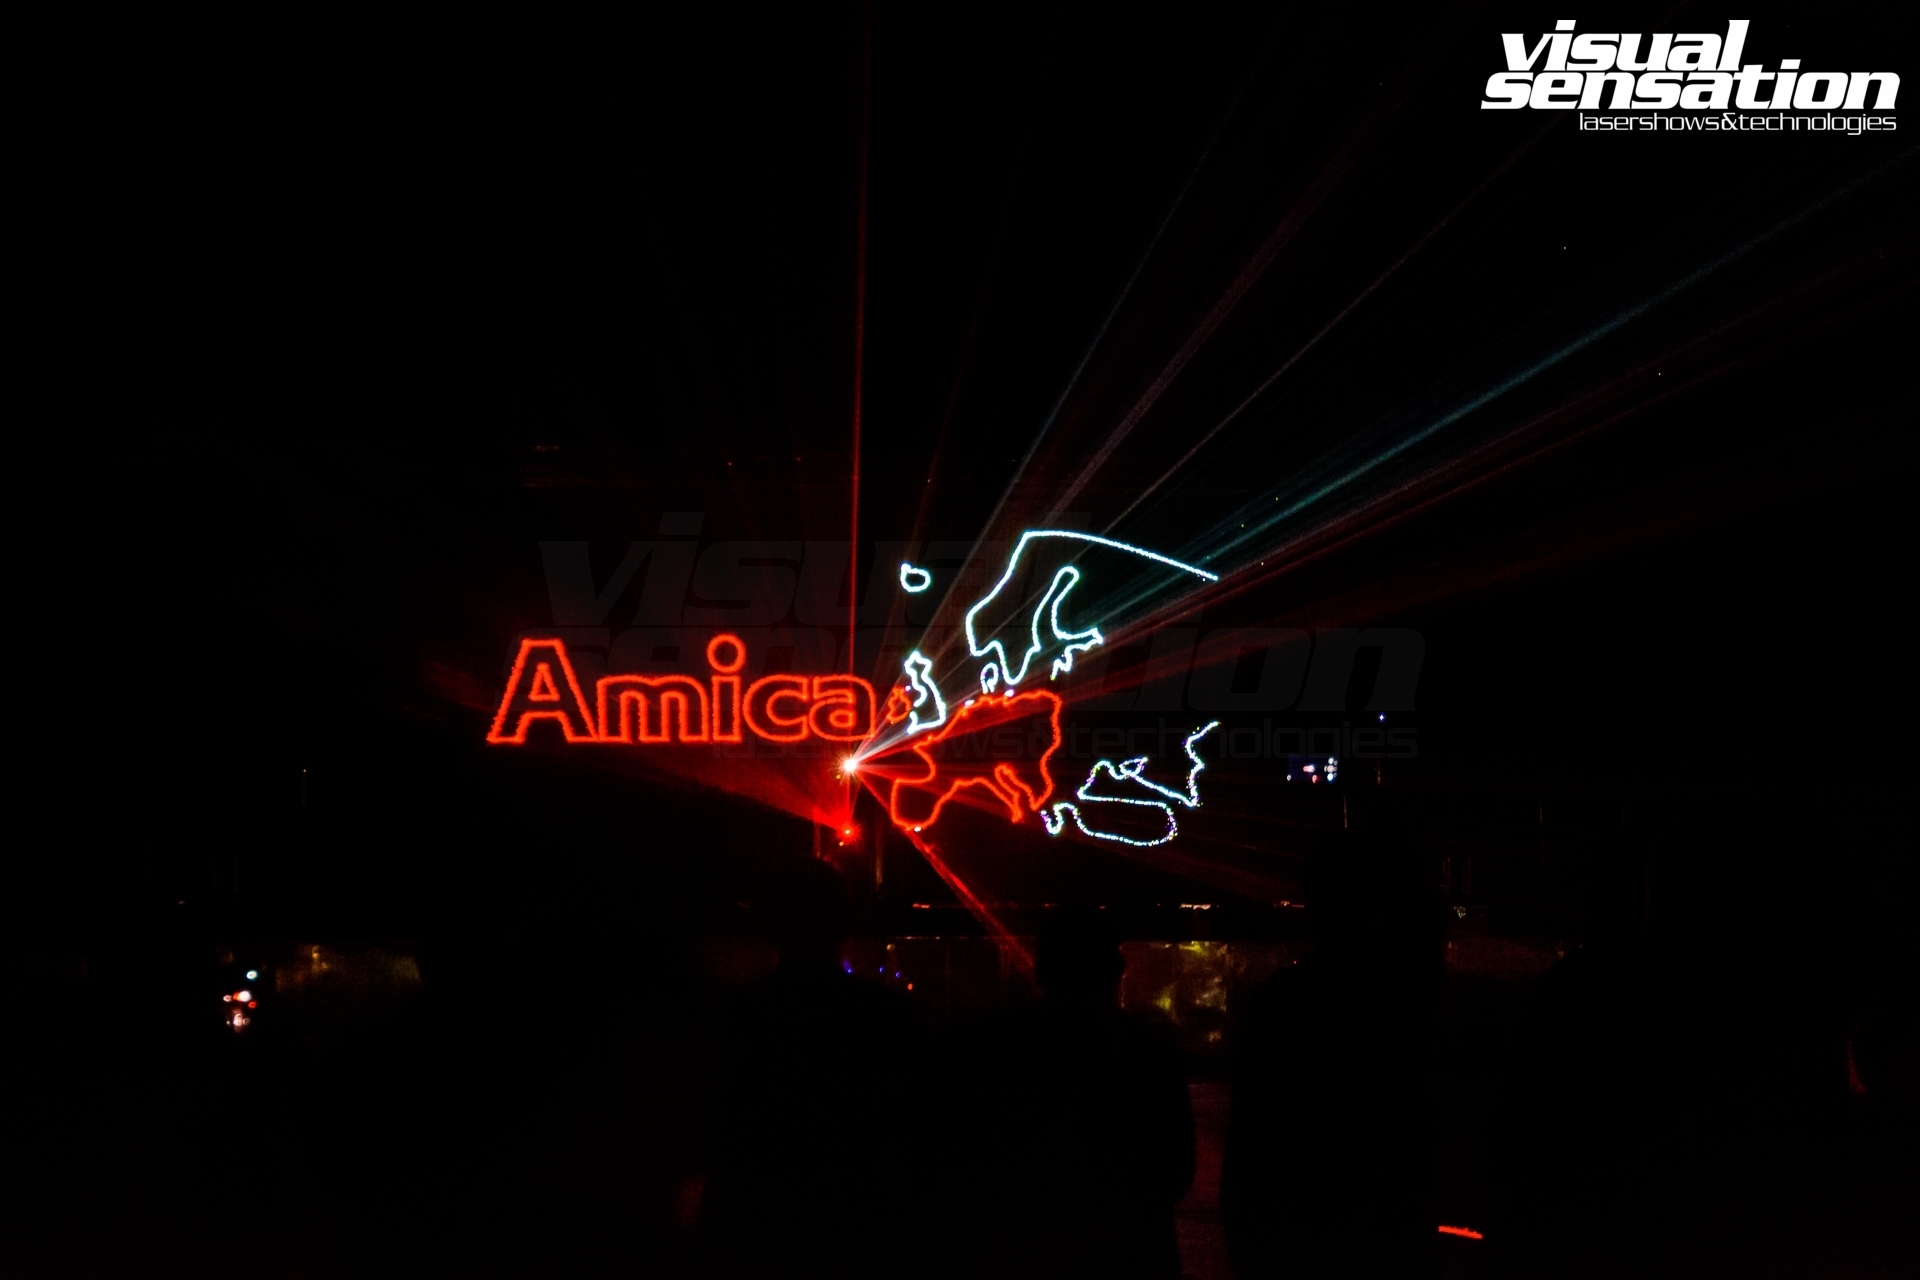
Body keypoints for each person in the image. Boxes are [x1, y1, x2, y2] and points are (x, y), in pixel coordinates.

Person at [1222, 829, 1441, 1279]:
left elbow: (1251, 1138)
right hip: (1380, 1232)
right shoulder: (1403, 1003)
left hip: (1297, 1232)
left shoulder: (1283, 1000)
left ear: (1311, 904)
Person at [695, 856, 920, 1279]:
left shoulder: (735, 1014)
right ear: (843, 924)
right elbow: (908, 1125)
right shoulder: (885, 1015)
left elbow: (706, 1122)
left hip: (755, 1222)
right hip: (855, 1222)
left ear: (772, 924)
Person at [947, 908, 1195, 1279]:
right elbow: (1174, 1173)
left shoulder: (982, 1050)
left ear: (1040, 968)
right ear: (1115, 968)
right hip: (1126, 1255)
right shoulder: (1148, 1055)